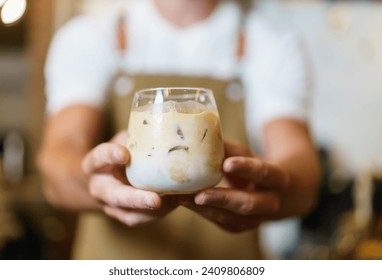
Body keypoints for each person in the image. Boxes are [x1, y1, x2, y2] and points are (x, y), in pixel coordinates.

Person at [38, 0, 321, 259]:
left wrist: (276, 188)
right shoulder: (89, 37)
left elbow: (298, 161)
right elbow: (59, 158)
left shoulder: (272, 43)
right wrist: (96, 185)